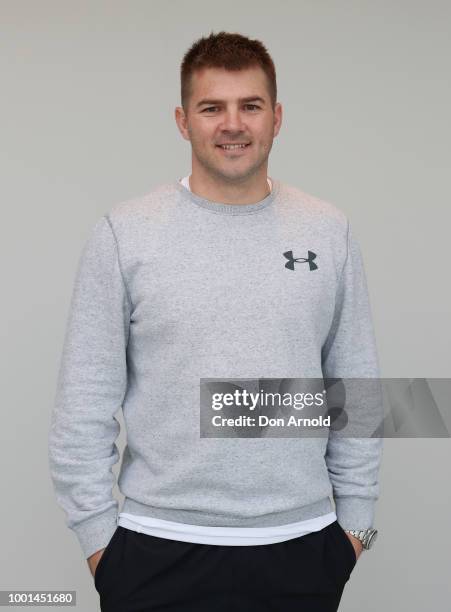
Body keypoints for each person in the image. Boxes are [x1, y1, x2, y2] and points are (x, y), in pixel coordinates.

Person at [48, 30, 383, 612]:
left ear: (276, 117)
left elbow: (355, 392)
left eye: (250, 106)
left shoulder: (328, 231)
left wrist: (355, 532)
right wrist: (100, 544)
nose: (233, 124)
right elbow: (83, 404)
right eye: (212, 108)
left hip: (303, 549)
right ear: (183, 120)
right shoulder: (125, 233)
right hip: (156, 551)